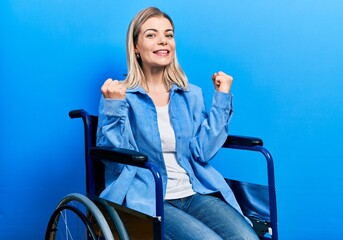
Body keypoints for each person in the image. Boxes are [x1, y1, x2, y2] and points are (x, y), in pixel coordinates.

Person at [97, 7, 259, 240]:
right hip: (149, 198)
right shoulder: (120, 95)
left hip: (195, 192)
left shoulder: (190, 94)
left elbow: (202, 152)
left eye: (168, 35)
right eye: (151, 35)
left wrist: (221, 98)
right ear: (135, 47)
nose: (163, 41)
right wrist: (114, 108)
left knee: (248, 238)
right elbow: (113, 159)